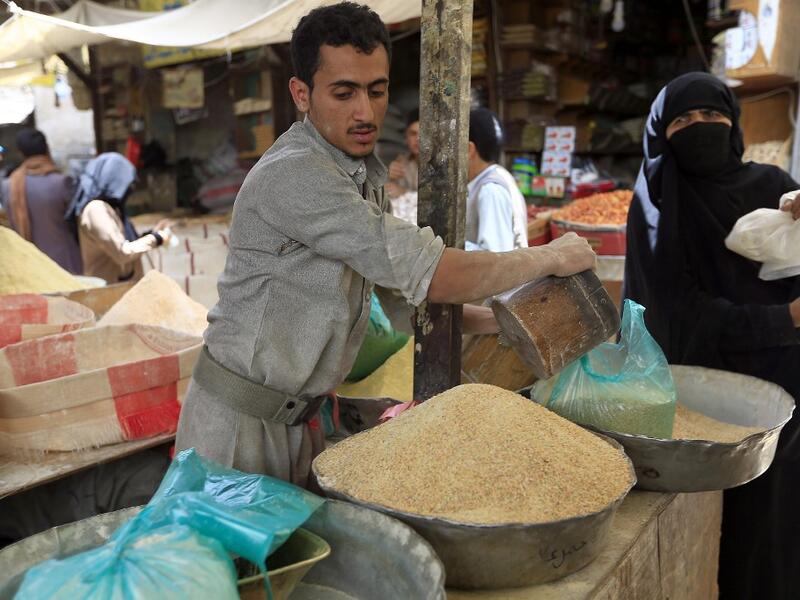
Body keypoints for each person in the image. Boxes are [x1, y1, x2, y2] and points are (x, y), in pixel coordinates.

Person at [175, 2, 594, 489]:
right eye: (344, 92)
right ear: (301, 94)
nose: (365, 112)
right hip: (238, 429)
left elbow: (392, 292)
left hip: (299, 419)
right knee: (233, 562)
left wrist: (494, 318)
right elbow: (433, 273)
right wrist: (552, 256)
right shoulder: (296, 175)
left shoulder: (360, 172)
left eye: (377, 91)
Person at [623, 72, 800, 600]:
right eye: (682, 119)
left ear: (733, 121)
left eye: (711, 115)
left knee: (781, 531)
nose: (700, 126)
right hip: (708, 411)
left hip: (788, 393)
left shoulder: (772, 188)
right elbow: (677, 317)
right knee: (725, 543)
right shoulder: (658, 207)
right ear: (660, 134)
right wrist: (782, 320)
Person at [65, 152, 171, 283]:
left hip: (121, 289)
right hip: (109, 292)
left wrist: (150, 234)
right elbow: (122, 252)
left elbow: (124, 242)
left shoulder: (109, 208)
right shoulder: (96, 210)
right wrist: (156, 238)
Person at [1, 129, 82, 273]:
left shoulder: (8, 186)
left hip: (29, 267)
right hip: (66, 264)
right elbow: (78, 222)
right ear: (47, 149)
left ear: (21, 153)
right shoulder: (62, 183)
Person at [465, 108, 528, 251]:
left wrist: (446, 246)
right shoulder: (499, 175)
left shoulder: (491, 190)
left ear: (469, 149)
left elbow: (495, 254)